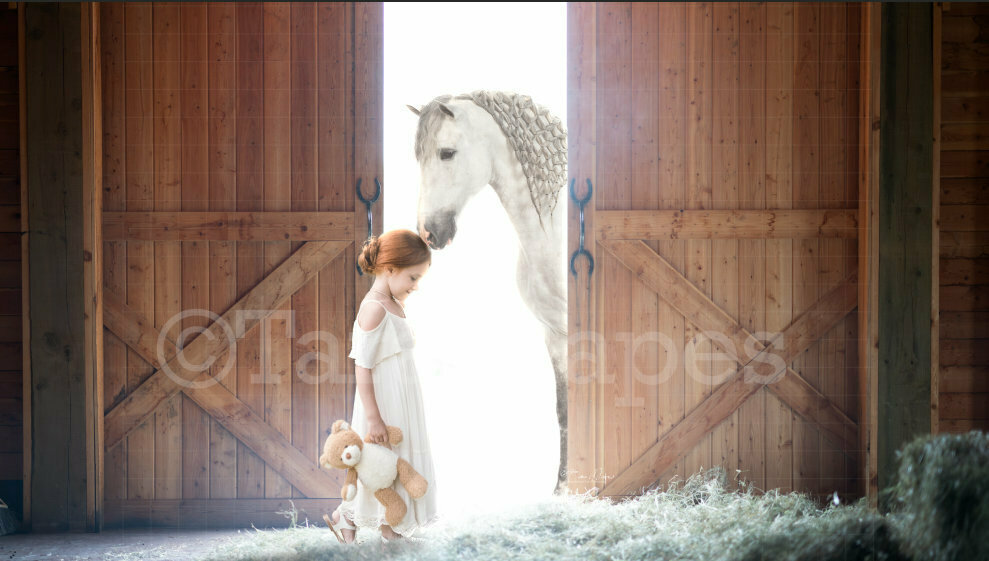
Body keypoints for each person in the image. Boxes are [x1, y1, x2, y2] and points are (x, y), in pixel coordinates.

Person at [328, 229, 438, 543]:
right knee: (382, 464)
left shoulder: (391, 301)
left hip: (402, 399)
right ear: (389, 270)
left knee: (396, 461)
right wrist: (374, 419)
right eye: (412, 278)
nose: (416, 287)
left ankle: (368, 521)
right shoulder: (374, 308)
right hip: (383, 403)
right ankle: (364, 521)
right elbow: (362, 367)